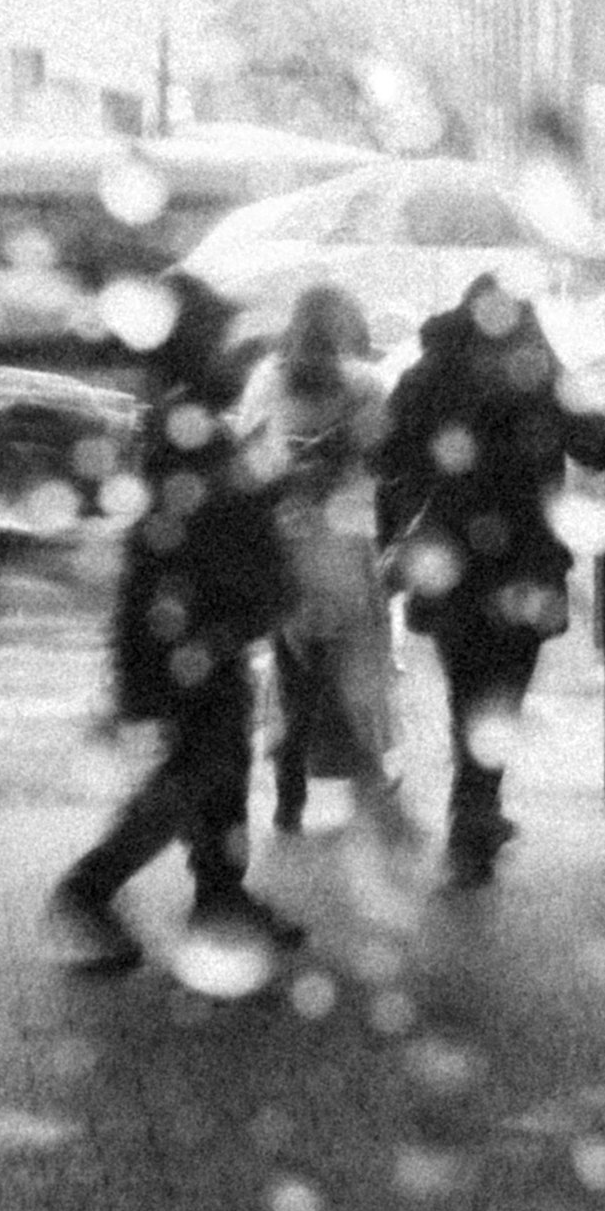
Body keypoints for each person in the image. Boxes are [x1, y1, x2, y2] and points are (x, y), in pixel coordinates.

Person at [49, 272, 302, 972]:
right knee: (192, 776)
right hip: (187, 635)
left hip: (196, 631)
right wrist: (260, 490)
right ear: (191, 348)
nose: (236, 360)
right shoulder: (180, 428)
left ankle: (222, 898)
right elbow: (199, 527)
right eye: (222, 345)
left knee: (220, 773)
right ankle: (87, 892)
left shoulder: (184, 422)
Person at [375, 273, 587, 885]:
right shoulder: (539, 369)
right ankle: (476, 812)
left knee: (466, 684)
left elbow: (385, 457)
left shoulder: (427, 373)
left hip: (452, 559)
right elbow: (596, 443)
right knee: (504, 687)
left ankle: (474, 814)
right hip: (525, 557)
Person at [235, 283, 413, 845]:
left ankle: (290, 796)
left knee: (295, 673)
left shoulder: (266, 379)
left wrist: (290, 469)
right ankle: (367, 784)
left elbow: (250, 456)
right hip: (344, 544)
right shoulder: (364, 385)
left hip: (285, 544)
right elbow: (389, 461)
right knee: (352, 672)